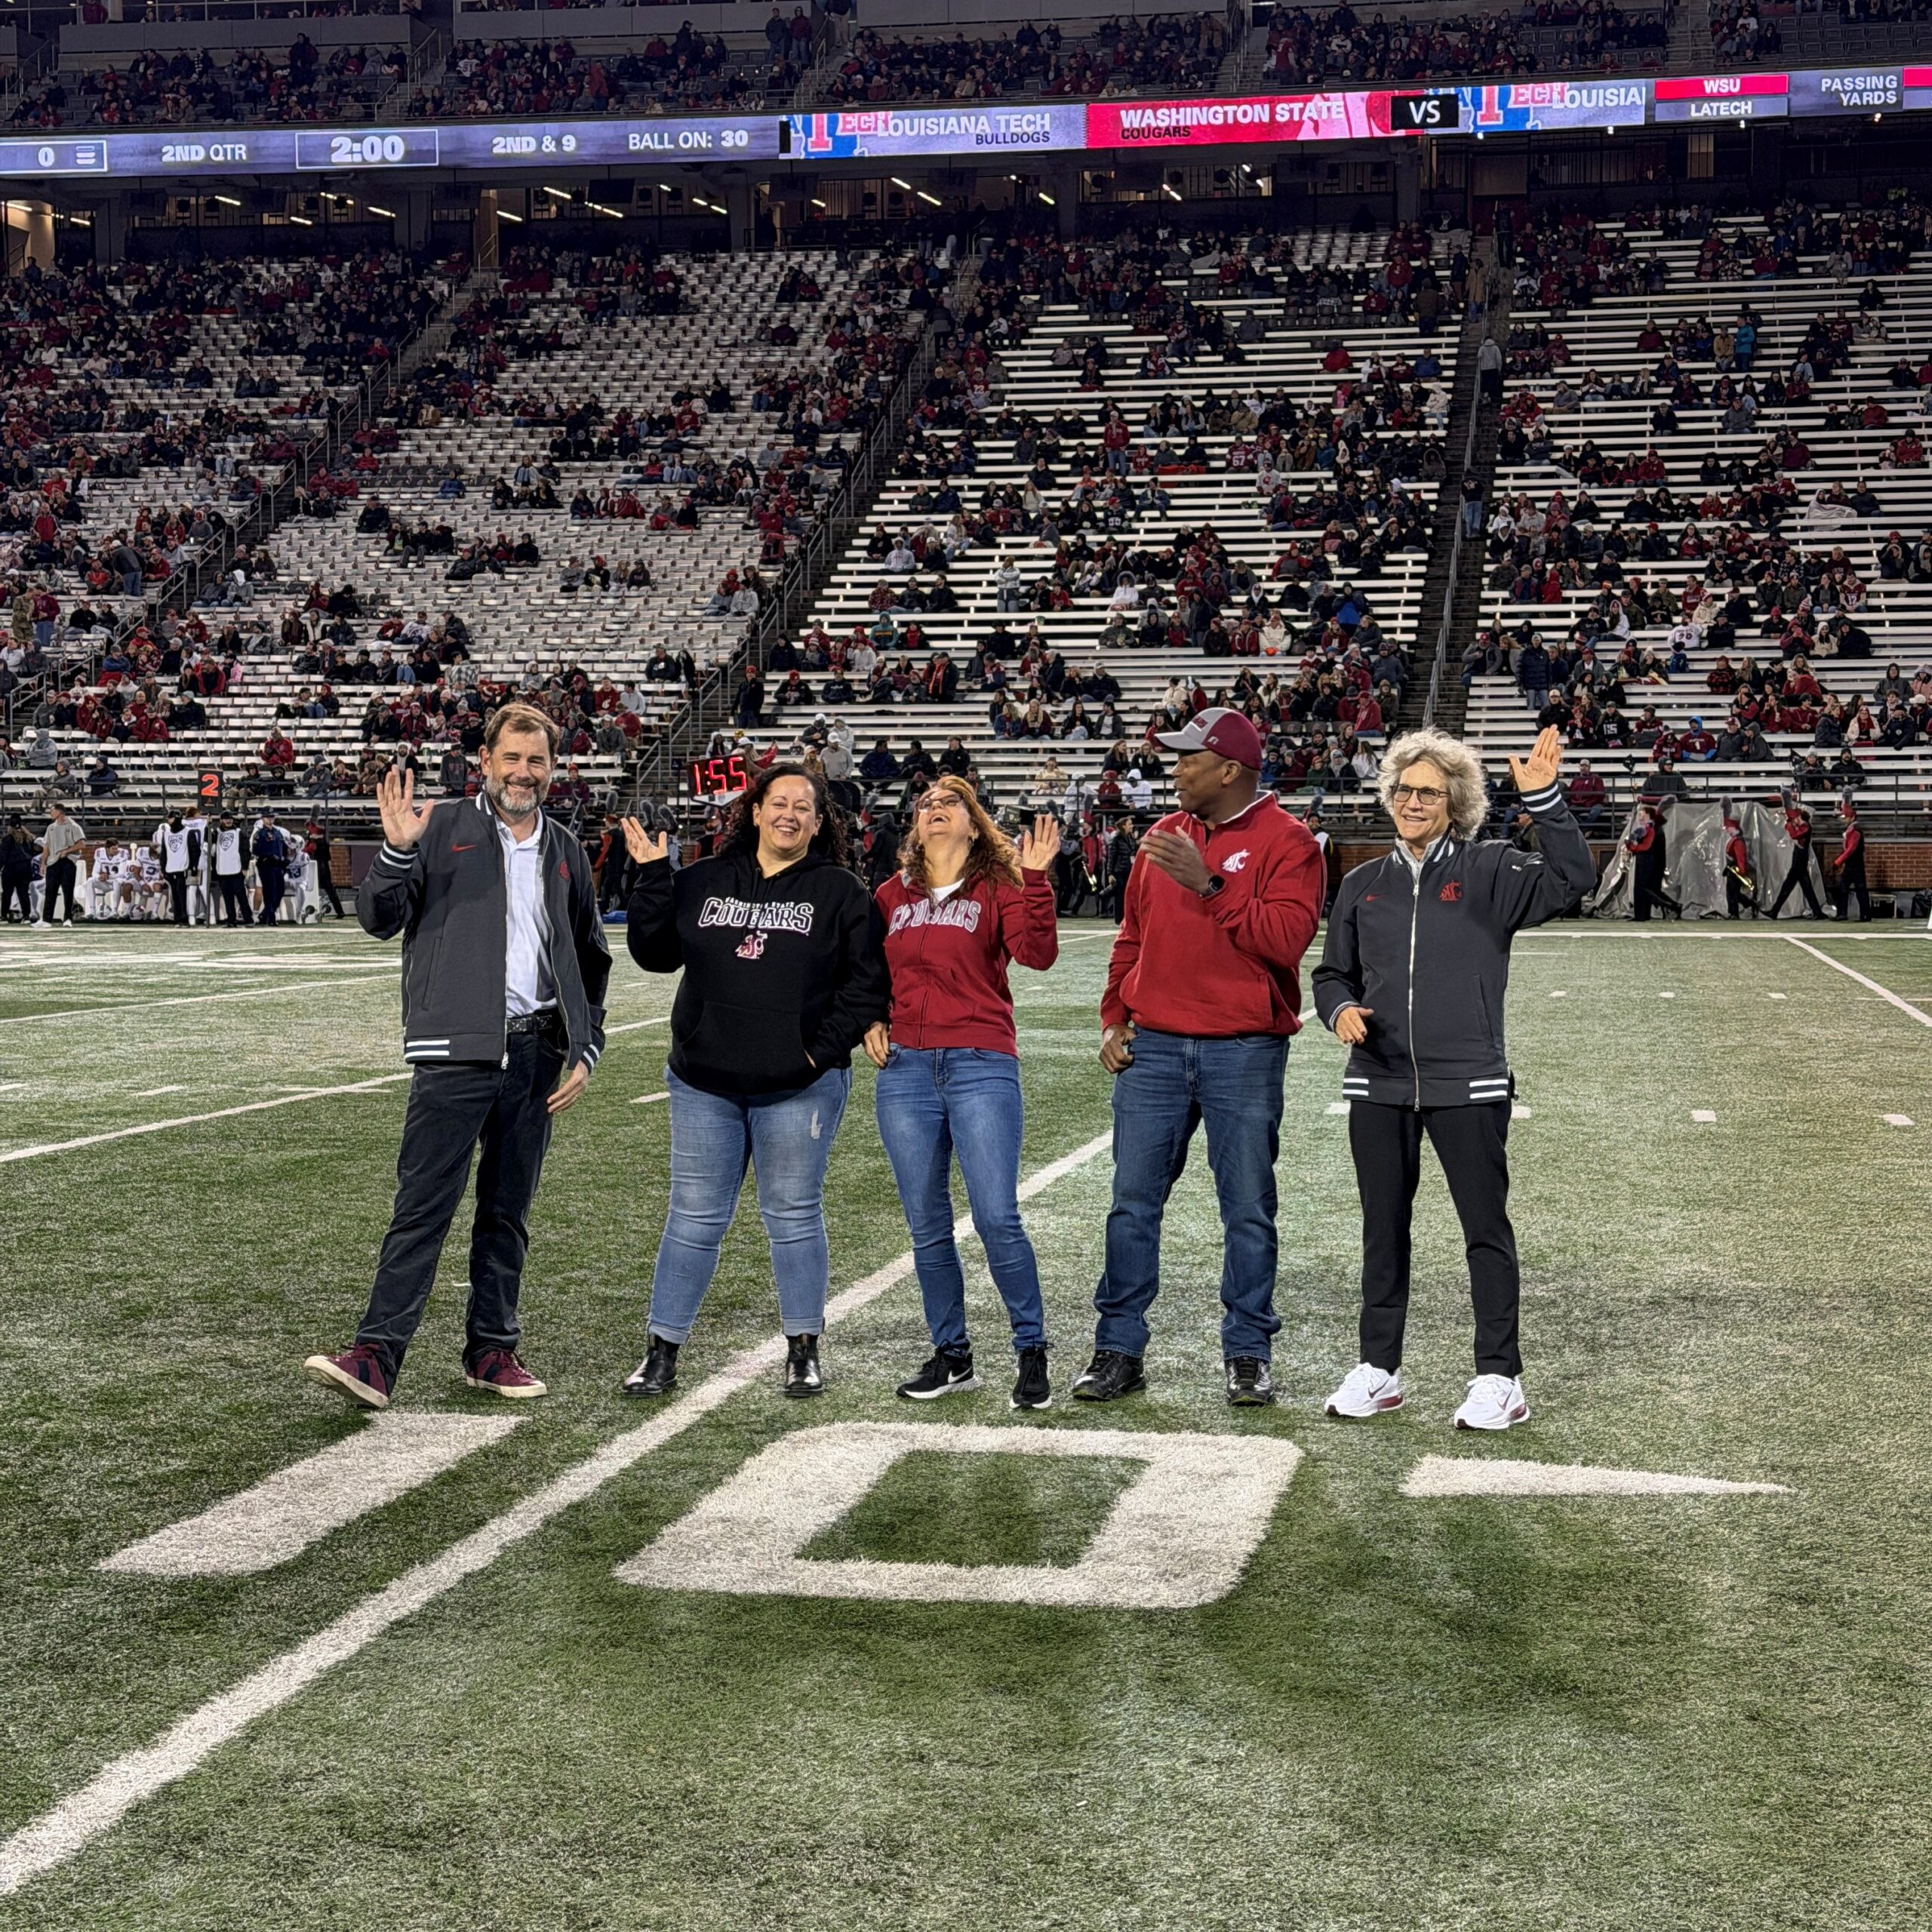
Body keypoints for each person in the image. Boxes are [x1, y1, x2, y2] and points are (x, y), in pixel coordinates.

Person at [305, 703, 611, 1410]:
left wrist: (586, 1044)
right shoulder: (437, 827)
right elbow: (379, 920)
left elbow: (592, 956)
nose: (524, 773)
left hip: (537, 1054)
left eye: (537, 761)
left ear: (553, 769)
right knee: (422, 1208)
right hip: (455, 1054)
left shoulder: (564, 846)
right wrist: (396, 850)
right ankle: (377, 1356)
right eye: (512, 758)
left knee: (508, 1212)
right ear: (485, 761)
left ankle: (491, 1349)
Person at [1312, 727, 1594, 1432]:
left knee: (1484, 1232)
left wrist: (1546, 802)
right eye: (1405, 790)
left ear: (1456, 803)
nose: (1413, 802)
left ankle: (1500, 1378)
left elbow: (1574, 880)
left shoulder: (1494, 867)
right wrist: (1340, 1008)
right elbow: (1330, 974)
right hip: (1378, 1085)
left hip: (1470, 1083)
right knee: (1384, 1229)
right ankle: (1379, 1369)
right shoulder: (1360, 884)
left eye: (1429, 793)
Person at [1078, 708, 1325, 1408]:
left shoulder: (1290, 841)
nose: (1175, 768)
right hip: (1153, 1047)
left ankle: (1248, 1353)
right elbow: (1132, 936)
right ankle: (1118, 1350)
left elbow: (1284, 942)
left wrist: (1210, 886)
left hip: (1243, 1051)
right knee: (1131, 1205)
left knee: (1246, 1208)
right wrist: (1113, 1015)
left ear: (1230, 770)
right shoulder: (1162, 835)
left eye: (1189, 758)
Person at [619, 762, 888, 1401]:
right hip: (703, 1081)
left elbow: (866, 987)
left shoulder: (841, 890)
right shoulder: (706, 877)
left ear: (820, 823)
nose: (790, 813)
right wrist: (654, 876)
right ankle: (661, 1351)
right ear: (756, 810)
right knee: (693, 1217)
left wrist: (812, 1056)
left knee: (793, 1215)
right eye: (779, 802)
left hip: (799, 1086)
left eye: (805, 806)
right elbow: (654, 954)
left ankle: (802, 1349)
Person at [866, 783, 1060, 1410]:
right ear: (915, 827)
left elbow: (1037, 954)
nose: (936, 808)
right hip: (905, 1070)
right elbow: (868, 974)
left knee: (997, 1216)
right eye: (924, 805)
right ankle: (952, 1356)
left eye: (952, 802)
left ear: (974, 827)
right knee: (927, 1227)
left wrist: (1033, 879)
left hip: (980, 1060)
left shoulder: (999, 886)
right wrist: (869, 1018)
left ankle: (1031, 1351)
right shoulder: (889, 896)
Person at [1768, 801, 1826, 918]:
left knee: (1788, 887)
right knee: (1806, 888)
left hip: (1799, 861)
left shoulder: (1806, 827)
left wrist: (1789, 822)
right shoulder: (1804, 827)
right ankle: (1817, 912)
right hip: (1799, 861)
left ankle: (1774, 911)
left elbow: (1794, 835)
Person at [1625, 801, 1677, 921]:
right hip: (1647, 861)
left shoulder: (1653, 830)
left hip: (1648, 862)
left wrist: (1632, 846)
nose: (1641, 818)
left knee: (1645, 889)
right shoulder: (1649, 829)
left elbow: (1645, 847)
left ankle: (1670, 907)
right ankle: (1642, 915)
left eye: (1643, 815)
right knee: (1642, 889)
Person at [35, 802, 84, 927]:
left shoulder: (73, 826)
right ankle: (46, 919)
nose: (51, 813)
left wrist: (67, 851)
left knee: (68, 891)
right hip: (53, 862)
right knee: (50, 891)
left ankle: (68, 918)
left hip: (67, 861)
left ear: (59, 812)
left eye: (52, 811)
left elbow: (82, 844)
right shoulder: (51, 828)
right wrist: (43, 862)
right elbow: (46, 846)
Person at [157, 813, 200, 927]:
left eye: (170, 818)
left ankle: (184, 919)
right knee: (174, 895)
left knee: (182, 894)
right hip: (170, 868)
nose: (168, 820)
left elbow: (194, 850)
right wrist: (163, 868)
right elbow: (164, 852)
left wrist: (193, 866)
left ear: (176, 818)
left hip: (183, 868)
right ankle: (178, 918)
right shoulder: (166, 833)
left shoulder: (188, 831)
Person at [210, 811, 252, 926]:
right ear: (221, 821)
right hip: (222, 870)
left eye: (230, 819)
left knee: (241, 896)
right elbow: (207, 840)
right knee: (228, 898)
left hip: (236, 869)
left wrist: (245, 866)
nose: (229, 821)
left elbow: (245, 850)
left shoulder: (239, 832)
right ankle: (231, 920)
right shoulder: (216, 833)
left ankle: (249, 919)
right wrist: (208, 826)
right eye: (226, 819)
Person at [1833, 797, 1869, 922]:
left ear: (1851, 817)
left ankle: (1855, 914)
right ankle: (1862, 914)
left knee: (1856, 889)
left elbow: (1851, 850)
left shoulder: (1855, 831)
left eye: (1845, 818)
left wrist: (1839, 861)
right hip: (1853, 863)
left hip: (1854, 864)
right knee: (1854, 889)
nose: (1844, 820)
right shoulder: (1852, 830)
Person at [253, 810, 291, 925]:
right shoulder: (260, 834)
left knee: (280, 891)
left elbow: (284, 847)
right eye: (268, 817)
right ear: (263, 819)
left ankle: (265, 914)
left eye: (272, 817)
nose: (270, 819)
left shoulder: (277, 832)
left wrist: (284, 858)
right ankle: (271, 918)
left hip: (278, 865)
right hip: (266, 865)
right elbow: (256, 850)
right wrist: (269, 856)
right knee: (270, 892)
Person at [1722, 808, 1758, 919]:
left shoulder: (1737, 841)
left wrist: (1741, 871)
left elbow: (1740, 857)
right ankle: (1734, 911)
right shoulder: (1735, 840)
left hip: (1736, 870)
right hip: (1732, 869)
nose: (1727, 830)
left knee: (1733, 892)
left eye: (1728, 828)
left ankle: (1736, 911)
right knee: (1731, 892)